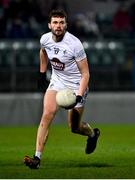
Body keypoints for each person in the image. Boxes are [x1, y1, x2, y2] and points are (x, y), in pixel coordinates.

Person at [24, 9, 100, 169]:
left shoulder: (75, 44)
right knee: (46, 114)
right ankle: (37, 158)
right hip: (57, 81)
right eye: (55, 22)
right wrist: (41, 73)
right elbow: (43, 52)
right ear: (49, 25)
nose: (58, 26)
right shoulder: (44, 39)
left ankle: (92, 134)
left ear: (66, 25)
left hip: (76, 85)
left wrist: (79, 95)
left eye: (61, 23)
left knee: (74, 127)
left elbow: (85, 73)